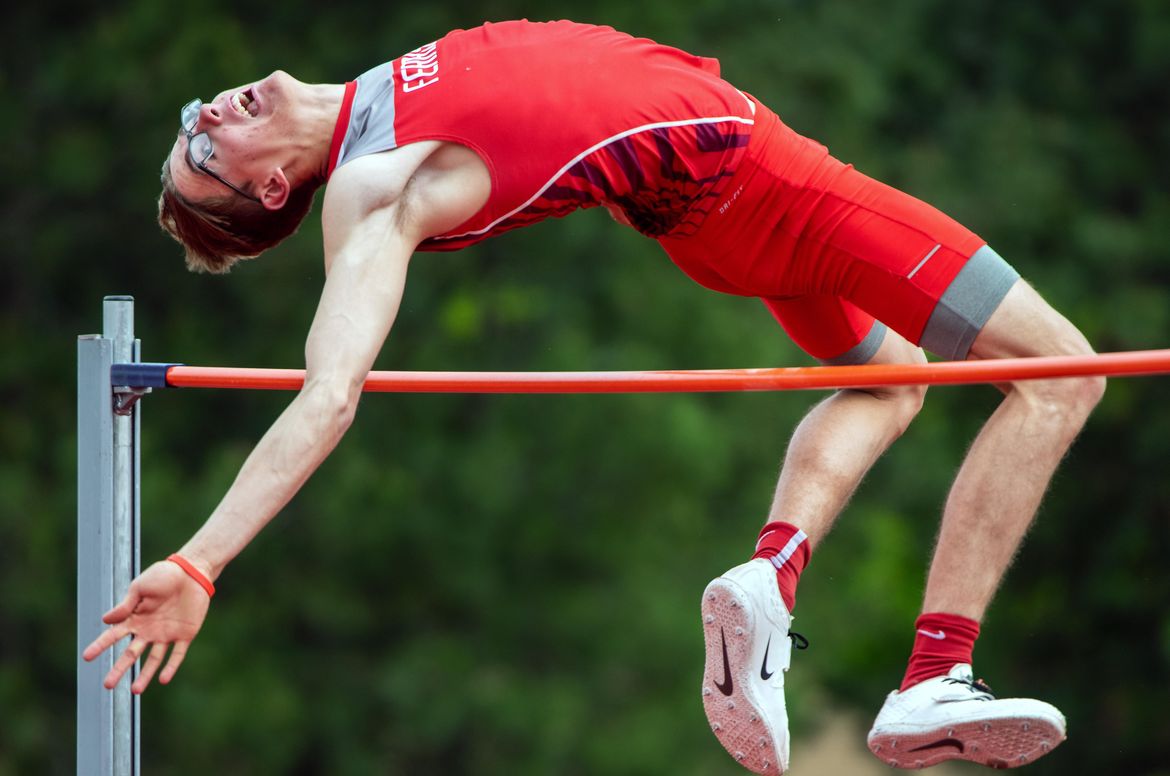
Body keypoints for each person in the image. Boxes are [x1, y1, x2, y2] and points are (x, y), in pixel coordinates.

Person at [82, 19, 1104, 773]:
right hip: (768, 184)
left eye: (191, 124)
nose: (208, 115)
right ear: (270, 191)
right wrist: (200, 561)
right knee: (1063, 373)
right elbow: (329, 396)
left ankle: (770, 578)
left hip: (710, 211)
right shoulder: (375, 187)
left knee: (893, 380)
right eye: (205, 154)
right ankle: (937, 671)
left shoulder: (373, 100)